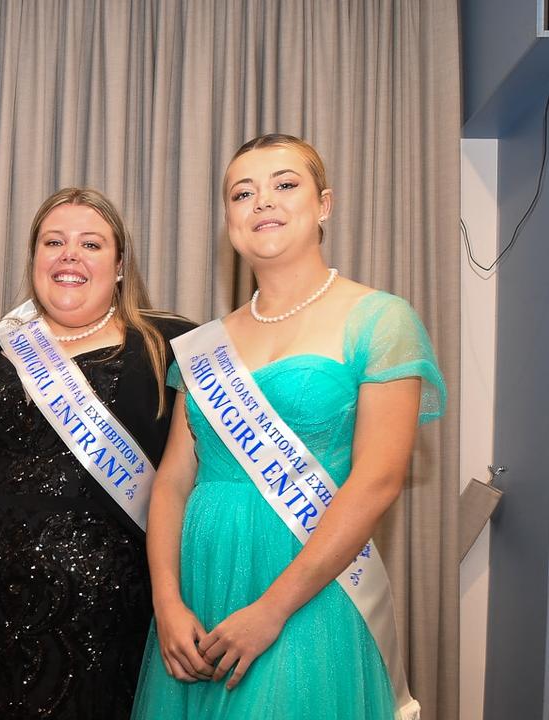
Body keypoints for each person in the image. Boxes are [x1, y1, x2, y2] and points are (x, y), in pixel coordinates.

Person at [132, 134, 446, 719]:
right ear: (228, 217)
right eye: (242, 193)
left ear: (323, 204)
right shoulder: (203, 346)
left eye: (284, 185)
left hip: (307, 594)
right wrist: (166, 599)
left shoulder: (380, 319)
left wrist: (273, 609)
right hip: (202, 588)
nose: (262, 203)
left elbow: (378, 481)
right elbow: (173, 481)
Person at [0, 187, 194, 718]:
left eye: (91, 243)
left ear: (120, 265)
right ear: (34, 258)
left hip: (114, 623)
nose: (69, 255)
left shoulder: (169, 346)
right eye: (53, 241)